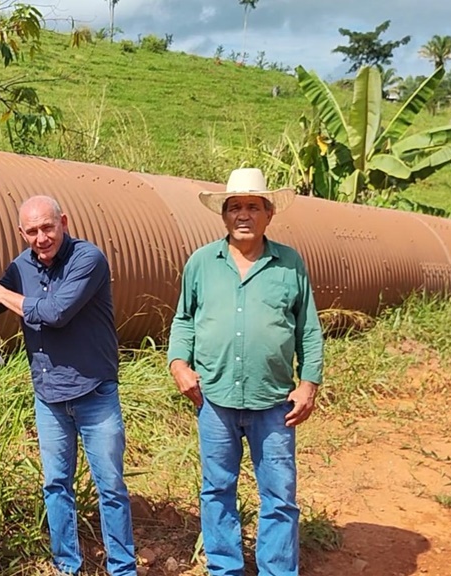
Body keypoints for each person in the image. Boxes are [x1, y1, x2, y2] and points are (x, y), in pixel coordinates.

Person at [167, 167, 324, 576]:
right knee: (217, 490)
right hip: (214, 399)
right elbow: (184, 318)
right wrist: (178, 363)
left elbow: (308, 327)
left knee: (279, 495)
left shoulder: (289, 263)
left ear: (269, 214)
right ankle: (225, 568)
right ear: (223, 215)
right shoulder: (202, 262)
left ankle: (277, 570)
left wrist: (308, 384)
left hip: (274, 401)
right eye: (235, 206)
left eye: (253, 206)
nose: (243, 215)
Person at [0, 196, 136, 576]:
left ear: (63, 221)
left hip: (94, 393)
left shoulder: (87, 259)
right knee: (56, 485)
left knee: (109, 486)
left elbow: (55, 312)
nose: (41, 238)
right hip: (50, 398)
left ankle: (122, 568)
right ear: (21, 233)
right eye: (32, 231)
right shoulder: (21, 266)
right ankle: (67, 565)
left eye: (48, 227)